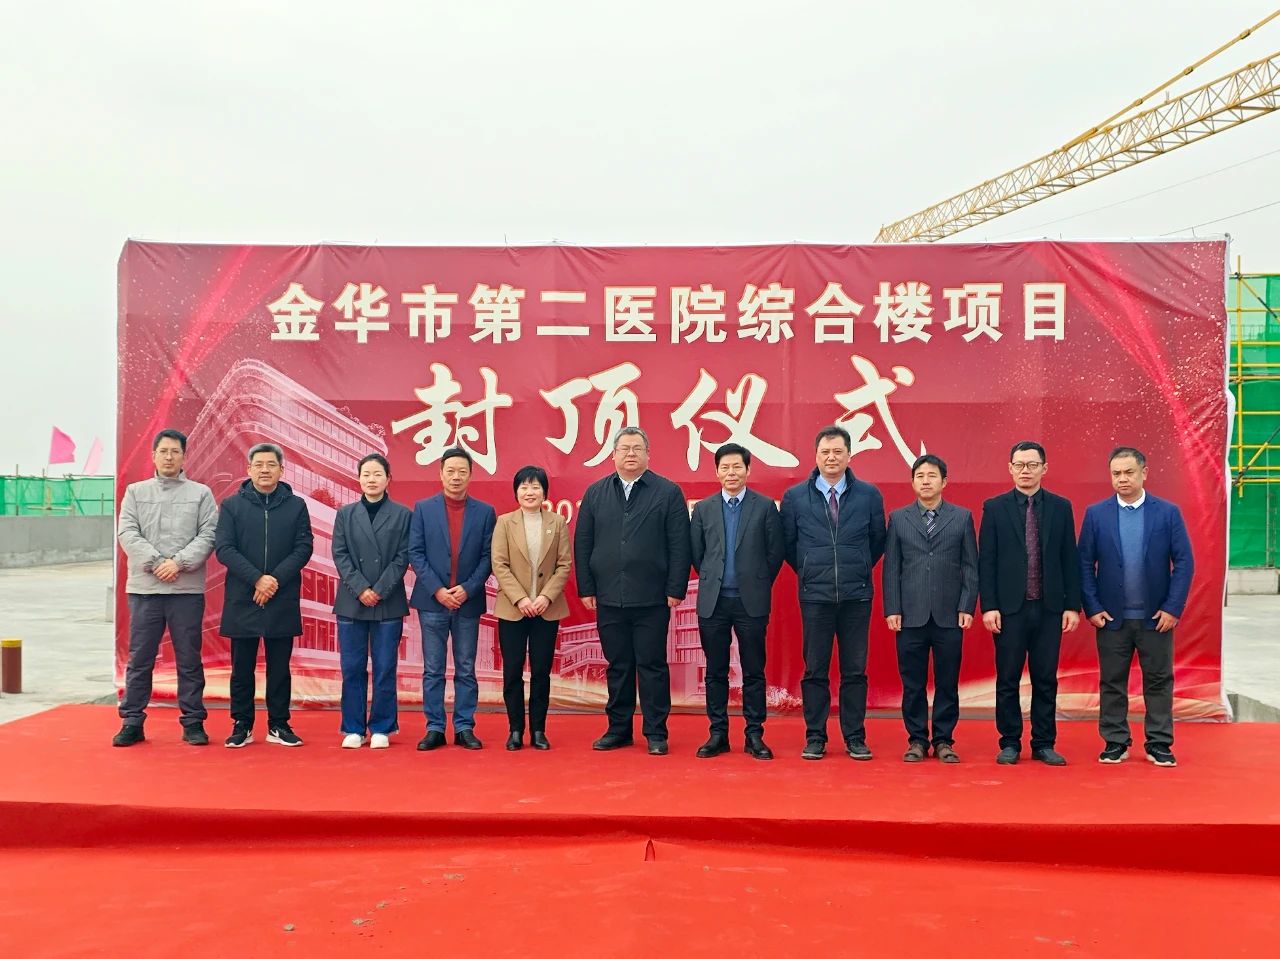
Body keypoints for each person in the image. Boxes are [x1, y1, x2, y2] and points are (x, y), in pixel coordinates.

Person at [574, 426, 691, 755]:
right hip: (609, 595)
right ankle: (618, 729)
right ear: (613, 455)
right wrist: (586, 587)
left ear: (648, 454)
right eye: (624, 448)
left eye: (637, 448)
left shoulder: (668, 492)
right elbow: (583, 542)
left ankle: (656, 732)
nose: (630, 454)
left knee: (652, 665)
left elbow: (680, 545)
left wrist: (676, 588)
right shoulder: (596, 493)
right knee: (618, 665)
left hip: (652, 597)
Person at [1079, 446, 1194, 768]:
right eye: (1116, 473)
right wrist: (1092, 607)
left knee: (1158, 681)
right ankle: (1115, 741)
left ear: (1144, 472)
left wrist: (1172, 608)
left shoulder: (1167, 513)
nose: (1123, 479)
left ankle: (1159, 743)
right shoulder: (1096, 514)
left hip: (1156, 618)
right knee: (1111, 682)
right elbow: (1084, 563)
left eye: (1129, 472)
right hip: (1111, 618)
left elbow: (1184, 562)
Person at [780, 425, 886, 761]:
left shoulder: (869, 495)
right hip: (815, 595)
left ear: (849, 455)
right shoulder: (796, 497)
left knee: (855, 670)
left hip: (857, 595)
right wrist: (811, 568)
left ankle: (855, 736)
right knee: (815, 669)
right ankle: (815, 736)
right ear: (815, 456)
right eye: (825, 452)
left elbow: (877, 541)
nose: (831, 458)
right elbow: (789, 544)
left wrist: (856, 566)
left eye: (838, 452)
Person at [112, 429, 218, 747]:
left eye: (175, 451)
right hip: (145, 590)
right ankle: (132, 721)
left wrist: (179, 563)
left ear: (184, 456)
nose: (169, 457)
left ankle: (193, 722)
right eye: (164, 451)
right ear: (154, 456)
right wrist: (157, 562)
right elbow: (127, 532)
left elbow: (209, 534)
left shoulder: (201, 494)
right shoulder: (135, 492)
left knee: (188, 658)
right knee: (140, 658)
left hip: (185, 590)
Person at [979, 440, 1081, 766]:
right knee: (1008, 678)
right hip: (1009, 610)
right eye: (1020, 465)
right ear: (1010, 468)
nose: (1026, 471)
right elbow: (986, 561)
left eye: (1032, 465)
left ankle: (1044, 742)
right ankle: (1010, 742)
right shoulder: (994, 508)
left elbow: (1070, 558)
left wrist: (1072, 605)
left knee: (1045, 678)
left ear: (1044, 468)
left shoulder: (1061, 507)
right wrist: (989, 606)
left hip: (1049, 608)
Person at [214, 442, 314, 748]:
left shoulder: (296, 506)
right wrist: (257, 579)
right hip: (243, 595)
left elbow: (303, 548)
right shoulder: (232, 505)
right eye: (258, 465)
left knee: (279, 667)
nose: (265, 470)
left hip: (281, 595)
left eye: (271, 465)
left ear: (282, 470)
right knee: (241, 667)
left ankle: (279, 724)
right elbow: (225, 548)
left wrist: (274, 581)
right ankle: (242, 724)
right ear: (249, 469)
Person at [689, 443, 784, 760]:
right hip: (714, 602)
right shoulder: (703, 509)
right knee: (715, 671)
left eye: (737, 467)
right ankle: (717, 734)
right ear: (717, 472)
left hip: (750, 602)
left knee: (753, 671)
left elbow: (775, 553)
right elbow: (697, 554)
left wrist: (756, 580)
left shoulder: (764, 507)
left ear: (748, 470)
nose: (731, 473)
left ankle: (754, 734)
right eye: (725, 467)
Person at [882, 454, 978, 763]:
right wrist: (892, 608)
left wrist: (967, 605)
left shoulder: (961, 517)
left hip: (950, 614)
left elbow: (970, 566)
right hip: (910, 614)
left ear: (944, 482)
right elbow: (891, 567)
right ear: (912, 482)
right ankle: (917, 740)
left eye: (932, 475)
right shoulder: (899, 518)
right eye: (920, 476)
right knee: (913, 683)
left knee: (947, 682)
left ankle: (944, 740)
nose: (926, 481)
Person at [408, 447, 497, 751]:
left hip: (467, 602)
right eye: (450, 471)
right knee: (433, 669)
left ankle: (464, 726)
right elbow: (415, 553)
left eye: (462, 471)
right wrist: (437, 589)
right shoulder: (423, 509)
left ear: (470, 475)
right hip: (432, 601)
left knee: (466, 667)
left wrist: (468, 588)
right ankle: (434, 727)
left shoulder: (485, 512)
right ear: (441, 474)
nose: (456, 476)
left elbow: (488, 557)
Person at [331, 453, 412, 750]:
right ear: (358, 478)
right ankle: (353, 727)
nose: (371, 479)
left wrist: (378, 589)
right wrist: (361, 588)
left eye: (377, 474)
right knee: (352, 667)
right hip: (352, 601)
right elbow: (340, 554)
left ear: (388, 479)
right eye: (366, 474)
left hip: (387, 600)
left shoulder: (403, 514)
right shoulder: (345, 514)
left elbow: (403, 556)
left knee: (385, 667)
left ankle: (382, 726)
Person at [490, 465, 572, 751]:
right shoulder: (504, 522)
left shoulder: (557, 523)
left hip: (546, 609)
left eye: (535, 487)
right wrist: (521, 599)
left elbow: (564, 565)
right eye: (524, 487)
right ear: (516, 492)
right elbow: (499, 564)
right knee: (512, 671)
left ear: (544, 492)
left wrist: (546, 597)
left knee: (541, 672)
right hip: (513, 609)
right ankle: (515, 730)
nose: (529, 492)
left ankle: (538, 730)